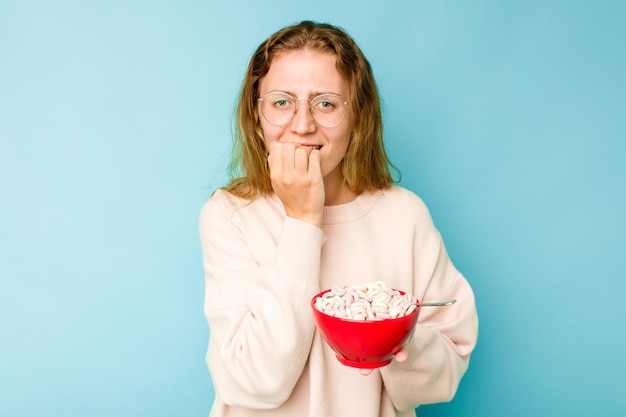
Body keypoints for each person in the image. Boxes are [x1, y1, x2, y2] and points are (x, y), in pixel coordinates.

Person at [199, 20, 478, 417]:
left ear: (357, 119)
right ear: (257, 119)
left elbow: (446, 370)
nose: (301, 124)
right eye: (281, 102)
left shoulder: (404, 215)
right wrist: (301, 220)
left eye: (325, 103)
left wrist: (403, 343)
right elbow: (255, 383)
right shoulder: (230, 215)